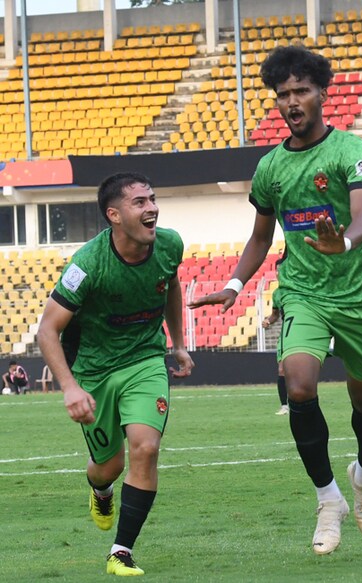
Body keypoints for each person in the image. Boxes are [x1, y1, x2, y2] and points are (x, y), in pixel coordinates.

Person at [190, 46, 362, 555]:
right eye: (282, 95)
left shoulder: (352, 150)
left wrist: (344, 242)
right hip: (302, 291)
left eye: (301, 91)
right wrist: (234, 287)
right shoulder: (270, 166)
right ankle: (329, 500)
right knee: (299, 386)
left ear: (323, 93)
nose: (291, 101)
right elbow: (261, 238)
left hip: (358, 295)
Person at [35, 172, 194, 576]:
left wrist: (176, 342)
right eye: (140, 202)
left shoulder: (170, 244)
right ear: (115, 215)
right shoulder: (88, 264)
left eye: (153, 199)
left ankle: (120, 551)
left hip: (145, 361)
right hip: (95, 371)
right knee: (109, 466)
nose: (152, 208)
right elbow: (47, 330)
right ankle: (101, 489)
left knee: (145, 447)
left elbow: (170, 284)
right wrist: (69, 388)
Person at [263, 307, 289, 415]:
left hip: (302, 333)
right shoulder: (279, 295)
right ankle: (284, 406)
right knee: (282, 370)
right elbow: (275, 315)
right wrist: (268, 321)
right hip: (285, 335)